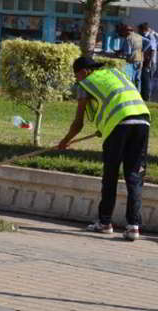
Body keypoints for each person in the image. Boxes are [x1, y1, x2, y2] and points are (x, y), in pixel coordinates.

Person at [59, 56, 151, 241]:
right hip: (143, 120)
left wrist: (65, 141)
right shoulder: (116, 73)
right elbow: (116, 100)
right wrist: (103, 128)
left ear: (84, 72)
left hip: (119, 125)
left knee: (110, 175)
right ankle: (134, 226)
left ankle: (105, 222)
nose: (77, 79)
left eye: (76, 75)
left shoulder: (86, 83)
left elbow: (78, 123)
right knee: (134, 175)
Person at [117, 25, 149, 95]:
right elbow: (148, 42)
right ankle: (138, 94)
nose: (123, 33)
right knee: (138, 79)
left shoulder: (128, 38)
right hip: (140, 59)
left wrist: (120, 54)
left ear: (126, 31)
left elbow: (127, 52)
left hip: (132, 60)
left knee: (130, 79)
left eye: (123, 31)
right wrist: (143, 50)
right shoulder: (139, 36)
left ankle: (131, 94)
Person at [138, 22, 158, 100]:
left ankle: (146, 97)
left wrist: (149, 64)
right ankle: (144, 96)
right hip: (147, 62)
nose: (139, 32)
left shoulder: (150, 37)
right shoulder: (146, 36)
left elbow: (152, 50)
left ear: (143, 30)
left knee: (147, 80)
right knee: (145, 79)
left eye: (139, 30)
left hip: (149, 63)